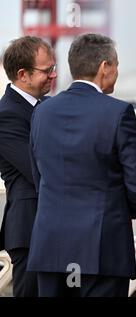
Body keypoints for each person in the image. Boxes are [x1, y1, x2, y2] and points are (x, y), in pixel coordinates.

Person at [27, 33, 136, 297]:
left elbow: (39, 176)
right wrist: (123, 211)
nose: (117, 71)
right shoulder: (119, 112)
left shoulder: (41, 112)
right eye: (116, 65)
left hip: (51, 247)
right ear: (104, 66)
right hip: (102, 247)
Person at [0, 36, 57, 297]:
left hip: (56, 227)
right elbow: (38, 169)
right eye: (47, 70)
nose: (53, 75)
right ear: (23, 74)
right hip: (30, 229)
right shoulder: (7, 115)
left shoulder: (47, 107)